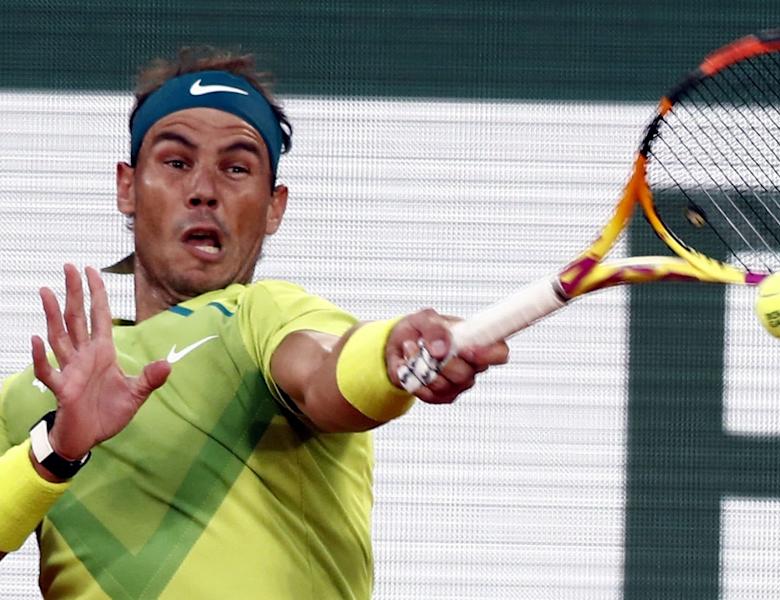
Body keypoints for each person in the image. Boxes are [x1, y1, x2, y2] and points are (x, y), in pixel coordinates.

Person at [0, 47, 509, 599]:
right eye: (176, 162)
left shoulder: (262, 315)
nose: (204, 190)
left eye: (236, 168)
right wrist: (55, 451)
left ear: (273, 206)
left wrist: (393, 350)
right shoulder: (30, 398)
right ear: (127, 186)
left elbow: (326, 369)